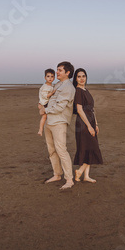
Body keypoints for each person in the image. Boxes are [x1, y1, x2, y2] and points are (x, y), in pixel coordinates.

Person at [39, 61, 76, 190]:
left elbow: (60, 107)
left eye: (60, 70)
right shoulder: (57, 84)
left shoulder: (68, 87)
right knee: (51, 150)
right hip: (49, 121)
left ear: (67, 72)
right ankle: (57, 174)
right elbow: (48, 99)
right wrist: (42, 105)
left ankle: (69, 179)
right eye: (57, 69)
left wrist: (45, 110)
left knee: (61, 150)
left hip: (59, 122)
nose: (57, 72)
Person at [72, 68, 103, 183]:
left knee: (89, 148)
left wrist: (95, 124)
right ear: (75, 79)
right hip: (83, 123)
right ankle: (80, 171)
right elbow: (79, 110)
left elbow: (92, 110)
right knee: (91, 147)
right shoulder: (78, 91)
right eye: (79, 76)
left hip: (91, 121)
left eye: (83, 76)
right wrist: (89, 126)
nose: (81, 78)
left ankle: (86, 176)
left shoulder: (86, 90)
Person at [37, 68, 56, 136]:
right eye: (48, 76)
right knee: (44, 117)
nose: (50, 78)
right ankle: (40, 130)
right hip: (43, 104)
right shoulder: (45, 87)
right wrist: (52, 93)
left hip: (47, 104)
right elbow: (45, 96)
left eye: (52, 76)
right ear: (45, 78)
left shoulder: (51, 86)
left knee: (48, 117)